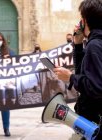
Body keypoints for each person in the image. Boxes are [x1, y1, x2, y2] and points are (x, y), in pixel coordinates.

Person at [53, 0, 102, 139]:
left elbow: (97, 87)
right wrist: (78, 45)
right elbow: (85, 73)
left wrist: (70, 77)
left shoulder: (95, 46)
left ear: (85, 21)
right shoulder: (96, 43)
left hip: (94, 122)